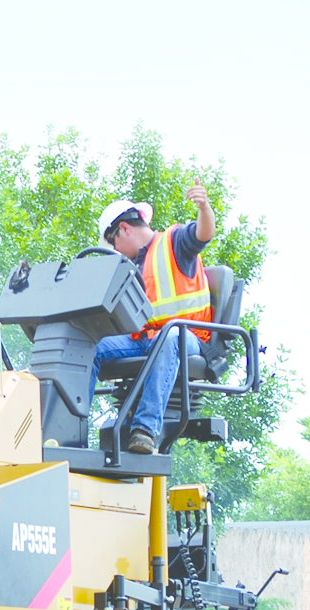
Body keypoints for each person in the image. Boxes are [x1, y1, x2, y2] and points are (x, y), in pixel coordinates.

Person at [91, 179, 217, 455]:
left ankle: (145, 430)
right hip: (145, 338)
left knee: (170, 335)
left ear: (124, 229)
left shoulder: (174, 241)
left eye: (114, 243)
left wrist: (204, 207)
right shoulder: (131, 265)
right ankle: (67, 430)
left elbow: (203, 233)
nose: (115, 251)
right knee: (91, 345)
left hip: (187, 337)